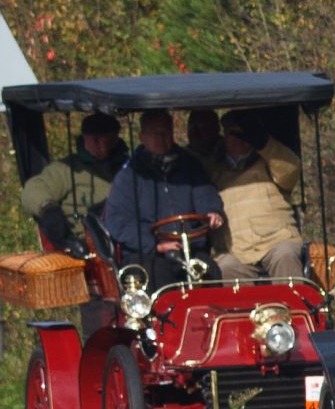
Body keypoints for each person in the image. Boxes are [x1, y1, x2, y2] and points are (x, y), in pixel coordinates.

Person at [101, 110, 224, 285]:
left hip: (188, 246)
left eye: (166, 132)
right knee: (157, 277)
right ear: (142, 137)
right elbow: (117, 221)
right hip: (146, 253)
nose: (161, 137)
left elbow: (204, 192)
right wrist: (155, 244)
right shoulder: (129, 176)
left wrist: (212, 211)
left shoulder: (190, 165)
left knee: (210, 273)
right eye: (155, 133)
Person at [206, 119, 312, 281]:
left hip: (276, 240)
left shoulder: (270, 163)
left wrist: (265, 145)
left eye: (243, 134)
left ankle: (294, 306)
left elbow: (290, 171)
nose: (238, 139)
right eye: (232, 133)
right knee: (225, 268)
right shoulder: (214, 169)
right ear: (224, 135)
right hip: (235, 249)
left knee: (285, 256)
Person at [21, 112, 124, 254]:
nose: (103, 148)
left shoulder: (128, 168)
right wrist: (48, 208)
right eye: (96, 141)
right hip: (86, 247)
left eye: (109, 141)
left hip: (126, 238)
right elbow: (32, 190)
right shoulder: (66, 170)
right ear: (85, 139)